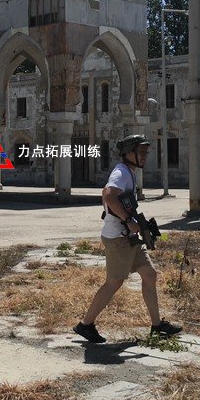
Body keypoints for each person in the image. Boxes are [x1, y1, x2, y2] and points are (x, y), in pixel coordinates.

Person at [73, 134, 182, 344]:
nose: (145, 156)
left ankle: (157, 326)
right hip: (118, 238)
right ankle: (85, 325)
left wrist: (133, 222)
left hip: (128, 237)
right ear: (128, 153)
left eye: (146, 152)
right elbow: (108, 195)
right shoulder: (121, 172)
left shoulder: (129, 172)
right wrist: (126, 219)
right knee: (114, 282)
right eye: (141, 152)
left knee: (149, 275)